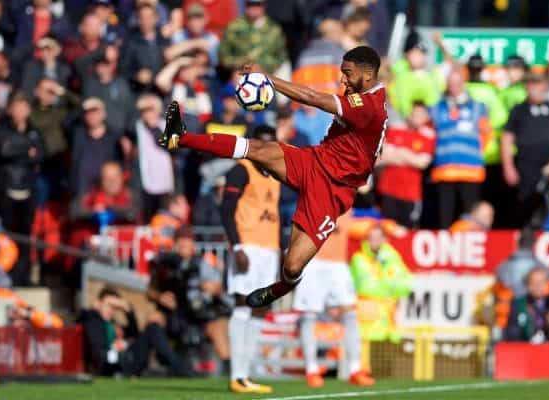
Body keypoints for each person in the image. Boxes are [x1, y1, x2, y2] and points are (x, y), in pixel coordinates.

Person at [159, 46, 387, 310]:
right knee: (256, 149)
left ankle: (282, 287)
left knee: (292, 264)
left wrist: (266, 78)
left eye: (347, 74)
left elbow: (312, 97)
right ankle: (180, 137)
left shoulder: (369, 106)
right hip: (314, 161)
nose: (342, 80)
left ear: (367, 76)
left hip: (333, 191)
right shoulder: (361, 97)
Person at [220, 126, 281, 394]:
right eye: (261, 143)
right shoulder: (240, 169)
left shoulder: (275, 175)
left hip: (269, 250)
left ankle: (247, 372)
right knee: (243, 305)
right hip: (247, 247)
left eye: (271, 144)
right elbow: (226, 210)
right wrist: (236, 247)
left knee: (260, 309)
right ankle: (237, 375)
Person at [293, 210, 375, 388]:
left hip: (338, 263)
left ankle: (355, 369)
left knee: (350, 313)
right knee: (309, 315)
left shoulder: (348, 193)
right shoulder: (317, 187)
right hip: (313, 261)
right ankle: (311, 370)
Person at [147, 226, 231, 374]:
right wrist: (161, 297)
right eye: (181, 244)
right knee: (153, 320)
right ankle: (164, 365)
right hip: (173, 314)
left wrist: (212, 288)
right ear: (175, 244)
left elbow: (219, 288)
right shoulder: (164, 264)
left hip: (198, 314)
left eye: (188, 244)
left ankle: (228, 368)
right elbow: (150, 290)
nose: (184, 248)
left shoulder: (202, 264)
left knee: (216, 327)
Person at [78, 286, 190, 376]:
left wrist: (128, 309)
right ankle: (179, 368)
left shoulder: (113, 324)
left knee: (153, 328)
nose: (111, 310)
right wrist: (95, 309)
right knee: (152, 329)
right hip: (109, 365)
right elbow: (84, 319)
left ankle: (177, 366)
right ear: (98, 303)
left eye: (114, 308)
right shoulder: (91, 319)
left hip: (126, 360)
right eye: (109, 305)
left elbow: (134, 333)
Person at [501, 73, 549, 228]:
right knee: (526, 203)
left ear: (545, 86)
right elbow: (507, 138)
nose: (534, 87)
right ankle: (526, 237)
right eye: (530, 83)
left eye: (537, 83)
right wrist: (508, 166)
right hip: (527, 165)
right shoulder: (519, 109)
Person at [430, 68, 490, 228]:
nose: (454, 86)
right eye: (451, 83)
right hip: (445, 170)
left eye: (457, 82)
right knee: (444, 217)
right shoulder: (437, 108)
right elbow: (430, 134)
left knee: (470, 217)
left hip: (471, 170)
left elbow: (487, 135)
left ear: (464, 83)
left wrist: (474, 153)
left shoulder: (478, 107)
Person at [0, 91, 44, 286]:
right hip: (6, 190)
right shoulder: (2, 129)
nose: (20, 111)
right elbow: (4, 149)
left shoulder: (34, 130)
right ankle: (5, 275)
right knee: (6, 236)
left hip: (27, 190)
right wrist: (27, 150)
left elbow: (40, 154)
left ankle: (22, 277)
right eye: (16, 107)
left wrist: (18, 149)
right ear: (10, 110)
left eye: (24, 107)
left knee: (25, 236)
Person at [350, 223, 413, 342]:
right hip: (367, 330)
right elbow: (365, 287)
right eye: (371, 238)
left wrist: (381, 285)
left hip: (390, 328)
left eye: (378, 237)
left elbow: (406, 285)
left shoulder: (393, 257)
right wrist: (390, 288)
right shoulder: (358, 259)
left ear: (385, 239)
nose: (374, 241)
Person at [376, 102, 435, 227]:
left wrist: (400, 152)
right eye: (414, 113)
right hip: (388, 188)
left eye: (420, 114)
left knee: (408, 230)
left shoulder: (428, 136)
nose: (416, 117)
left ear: (426, 118)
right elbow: (383, 156)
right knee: (388, 227)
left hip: (411, 193)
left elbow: (422, 163)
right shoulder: (396, 129)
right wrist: (411, 157)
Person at [218, 0, 288, 76]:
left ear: (264, 6)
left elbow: (281, 56)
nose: (254, 8)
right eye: (250, 4)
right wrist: (242, 63)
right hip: (242, 73)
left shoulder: (274, 29)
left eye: (258, 4)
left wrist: (266, 68)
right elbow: (224, 57)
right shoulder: (234, 27)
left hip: (270, 74)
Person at [69, 97, 123, 195]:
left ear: (103, 114)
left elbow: (120, 162)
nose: (92, 116)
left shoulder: (114, 136)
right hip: (81, 190)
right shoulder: (78, 134)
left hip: (105, 191)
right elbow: (65, 122)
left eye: (95, 112)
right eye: (88, 113)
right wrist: (81, 106)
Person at [134, 94, 175, 221]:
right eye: (144, 111)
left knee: (162, 219)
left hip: (164, 181)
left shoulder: (166, 126)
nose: (148, 114)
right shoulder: (138, 127)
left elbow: (171, 148)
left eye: (150, 110)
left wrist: (154, 128)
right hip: (144, 182)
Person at [505, 267, 549, 343]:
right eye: (533, 282)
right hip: (526, 349)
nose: (537, 285)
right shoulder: (519, 304)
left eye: (541, 282)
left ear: (547, 284)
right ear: (527, 285)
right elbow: (512, 332)